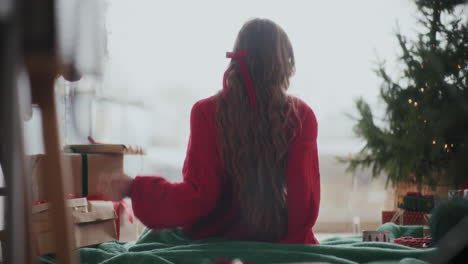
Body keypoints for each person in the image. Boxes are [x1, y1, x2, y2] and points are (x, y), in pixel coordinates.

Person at [100, 18, 321, 244]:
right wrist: (291, 249)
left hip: (214, 239)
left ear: (236, 58)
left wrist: (134, 188)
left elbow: (199, 197)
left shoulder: (206, 112)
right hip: (275, 237)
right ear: (284, 64)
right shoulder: (301, 116)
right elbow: (303, 202)